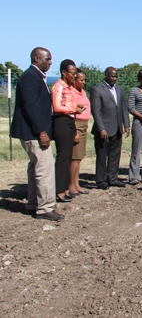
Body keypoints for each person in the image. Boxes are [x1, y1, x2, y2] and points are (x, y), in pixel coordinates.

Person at [10, 47, 63, 221]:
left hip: (34, 132)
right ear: (36, 58)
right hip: (33, 133)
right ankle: (45, 207)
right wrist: (41, 131)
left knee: (35, 167)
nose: (50, 62)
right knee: (45, 168)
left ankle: (33, 203)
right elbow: (31, 107)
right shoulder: (30, 78)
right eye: (47, 59)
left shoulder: (36, 77)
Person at [90, 67, 130, 189]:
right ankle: (101, 180)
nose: (114, 78)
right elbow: (96, 111)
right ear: (106, 75)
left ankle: (113, 178)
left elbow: (123, 108)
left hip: (117, 128)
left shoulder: (119, 89)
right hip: (104, 129)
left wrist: (126, 125)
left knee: (115, 154)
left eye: (116, 76)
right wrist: (101, 129)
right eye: (112, 76)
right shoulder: (97, 89)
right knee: (102, 155)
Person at [51, 59, 83, 203]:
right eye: (72, 73)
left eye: (75, 73)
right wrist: (73, 109)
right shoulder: (58, 87)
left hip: (70, 121)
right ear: (64, 72)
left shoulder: (69, 87)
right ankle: (58, 190)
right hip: (61, 122)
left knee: (68, 156)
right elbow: (57, 107)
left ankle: (65, 188)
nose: (74, 76)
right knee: (63, 157)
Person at [69, 68, 91, 195]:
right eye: (81, 80)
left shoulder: (82, 92)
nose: (83, 82)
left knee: (79, 157)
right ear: (74, 79)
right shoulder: (71, 92)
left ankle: (76, 183)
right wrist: (74, 132)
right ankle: (71, 184)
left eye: (84, 80)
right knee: (74, 157)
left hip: (84, 125)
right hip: (76, 125)